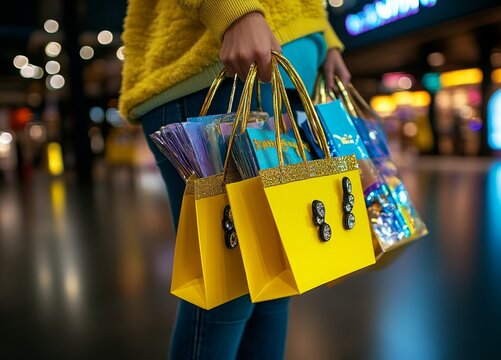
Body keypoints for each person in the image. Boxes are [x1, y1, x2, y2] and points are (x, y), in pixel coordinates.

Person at [119, 1, 351, 359]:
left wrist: (325, 38)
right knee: (227, 286)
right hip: (218, 71)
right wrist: (233, 10)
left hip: (280, 80)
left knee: (275, 278)